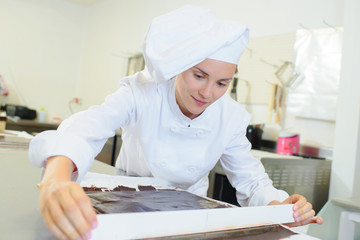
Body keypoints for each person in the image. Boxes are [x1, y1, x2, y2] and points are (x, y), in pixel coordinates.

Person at [29, 5, 323, 240]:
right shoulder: (142, 92)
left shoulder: (231, 116)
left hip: (192, 218)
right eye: (199, 76)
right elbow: (86, 127)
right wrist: (56, 175)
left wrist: (280, 207)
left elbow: (250, 179)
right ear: (181, 66)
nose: (208, 93)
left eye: (222, 83)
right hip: (123, 207)